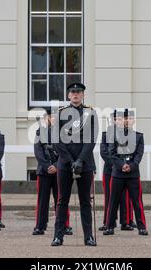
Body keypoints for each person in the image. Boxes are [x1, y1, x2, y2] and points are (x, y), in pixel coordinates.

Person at [51, 83, 98, 247]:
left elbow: (91, 139)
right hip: (65, 163)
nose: (76, 94)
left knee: (85, 201)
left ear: (83, 95)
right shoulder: (61, 113)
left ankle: (88, 237)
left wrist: (80, 160)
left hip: (85, 163)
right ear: (68, 95)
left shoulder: (91, 113)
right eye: (73, 92)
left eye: (79, 92)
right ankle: (58, 236)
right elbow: (56, 139)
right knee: (62, 201)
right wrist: (71, 161)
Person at [103, 109, 148, 236]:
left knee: (137, 201)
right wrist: (121, 165)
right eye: (124, 119)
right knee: (113, 201)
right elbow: (112, 153)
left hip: (133, 174)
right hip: (118, 173)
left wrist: (131, 166)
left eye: (129, 119)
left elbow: (139, 154)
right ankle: (109, 226)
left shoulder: (139, 136)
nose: (126, 121)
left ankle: (142, 226)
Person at [33, 109, 72, 236]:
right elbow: (38, 152)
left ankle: (64, 225)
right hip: (44, 171)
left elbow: (66, 153)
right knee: (42, 200)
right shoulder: (40, 132)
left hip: (60, 170)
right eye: (50, 116)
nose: (53, 118)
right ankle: (40, 225)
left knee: (61, 199)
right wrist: (47, 166)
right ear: (46, 118)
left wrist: (56, 166)